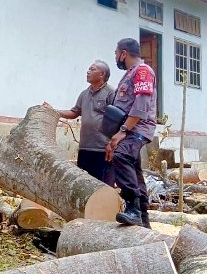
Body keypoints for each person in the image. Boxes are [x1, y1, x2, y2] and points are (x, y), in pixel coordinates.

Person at [106, 38, 157, 228]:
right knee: (134, 171)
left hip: (137, 129)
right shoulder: (130, 74)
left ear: (123, 53)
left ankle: (133, 209)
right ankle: (143, 219)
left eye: (116, 53)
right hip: (129, 129)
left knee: (121, 157)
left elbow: (141, 105)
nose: (116, 57)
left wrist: (123, 131)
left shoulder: (142, 71)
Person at [44, 60, 115, 185]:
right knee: (84, 184)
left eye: (92, 69)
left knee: (103, 186)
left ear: (102, 74)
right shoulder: (84, 94)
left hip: (102, 148)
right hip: (85, 147)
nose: (88, 71)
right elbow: (74, 112)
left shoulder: (111, 93)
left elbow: (117, 119)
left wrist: (112, 143)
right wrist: (53, 111)